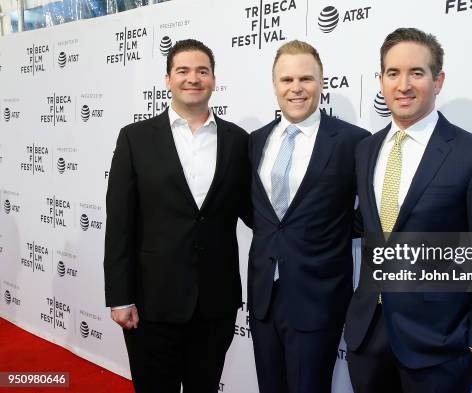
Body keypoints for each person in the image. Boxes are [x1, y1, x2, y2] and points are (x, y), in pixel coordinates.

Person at [344, 27, 472, 393]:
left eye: (416, 73)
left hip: (441, 347)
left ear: (438, 81)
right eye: (393, 73)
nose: (403, 84)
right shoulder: (365, 150)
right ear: (381, 80)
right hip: (368, 338)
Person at [103, 39, 250, 393]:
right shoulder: (134, 139)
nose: (193, 78)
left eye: (202, 71)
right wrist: (119, 296)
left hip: (215, 302)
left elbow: (254, 210)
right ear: (167, 80)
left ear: (214, 80)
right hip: (151, 302)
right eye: (182, 71)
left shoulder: (238, 140)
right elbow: (120, 223)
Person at [248, 40, 369, 393]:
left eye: (306, 78)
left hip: (319, 299)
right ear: (274, 85)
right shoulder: (255, 142)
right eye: (286, 80)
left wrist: (329, 233)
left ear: (321, 82)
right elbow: (257, 211)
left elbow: (375, 214)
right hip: (263, 297)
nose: (296, 88)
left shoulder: (353, 142)